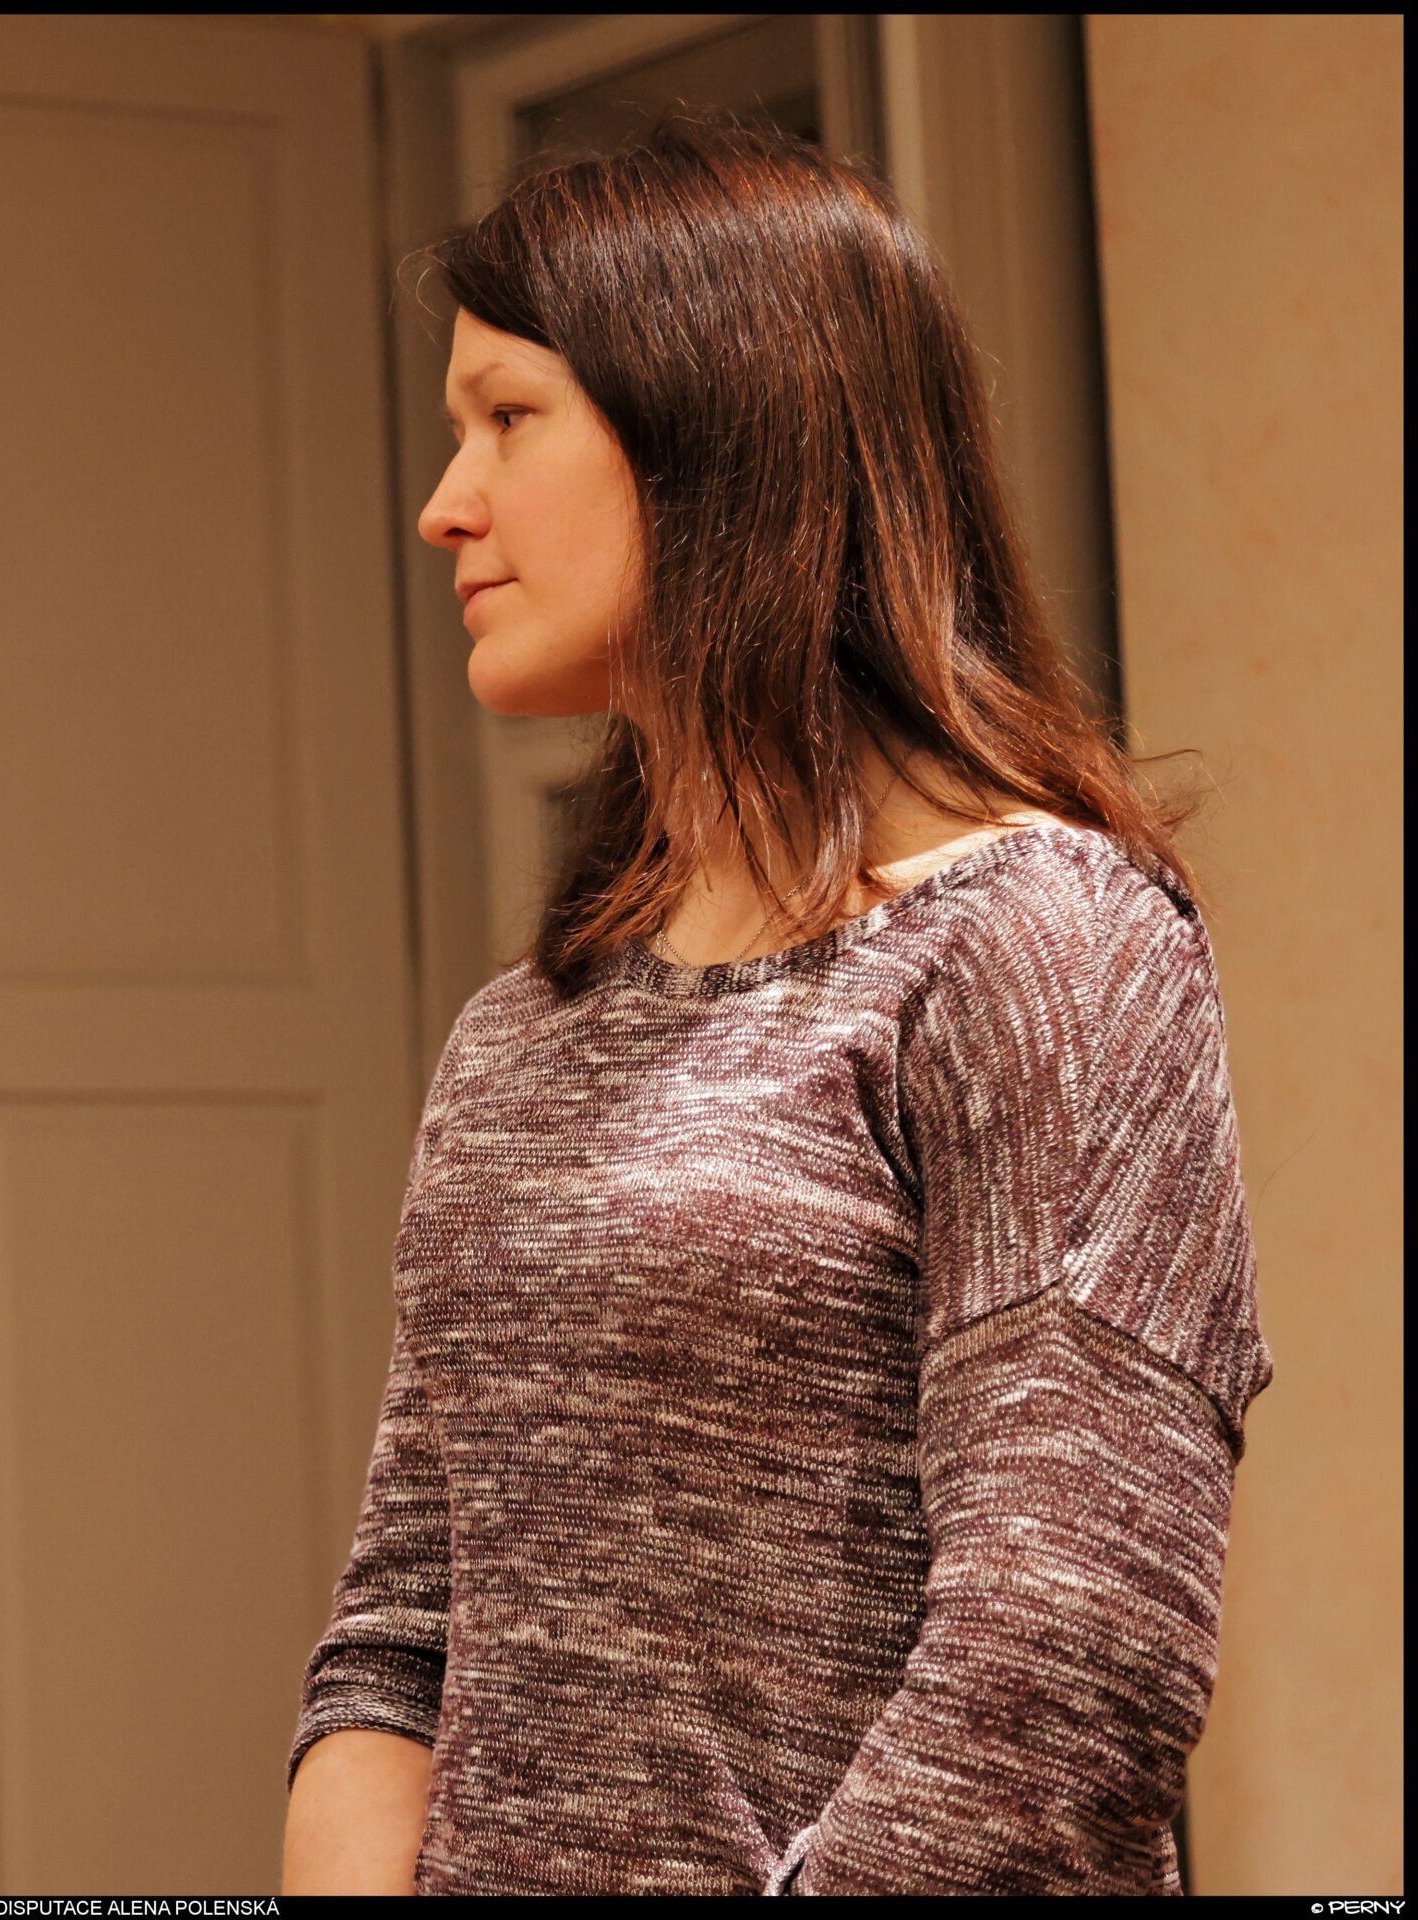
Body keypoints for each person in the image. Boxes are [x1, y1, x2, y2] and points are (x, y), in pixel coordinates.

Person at [280, 120, 1272, 1896]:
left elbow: (1067, 1658)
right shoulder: (521, 1031)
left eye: (508, 417)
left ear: (718, 427)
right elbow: (405, 1628)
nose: (444, 502)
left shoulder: (1045, 941)